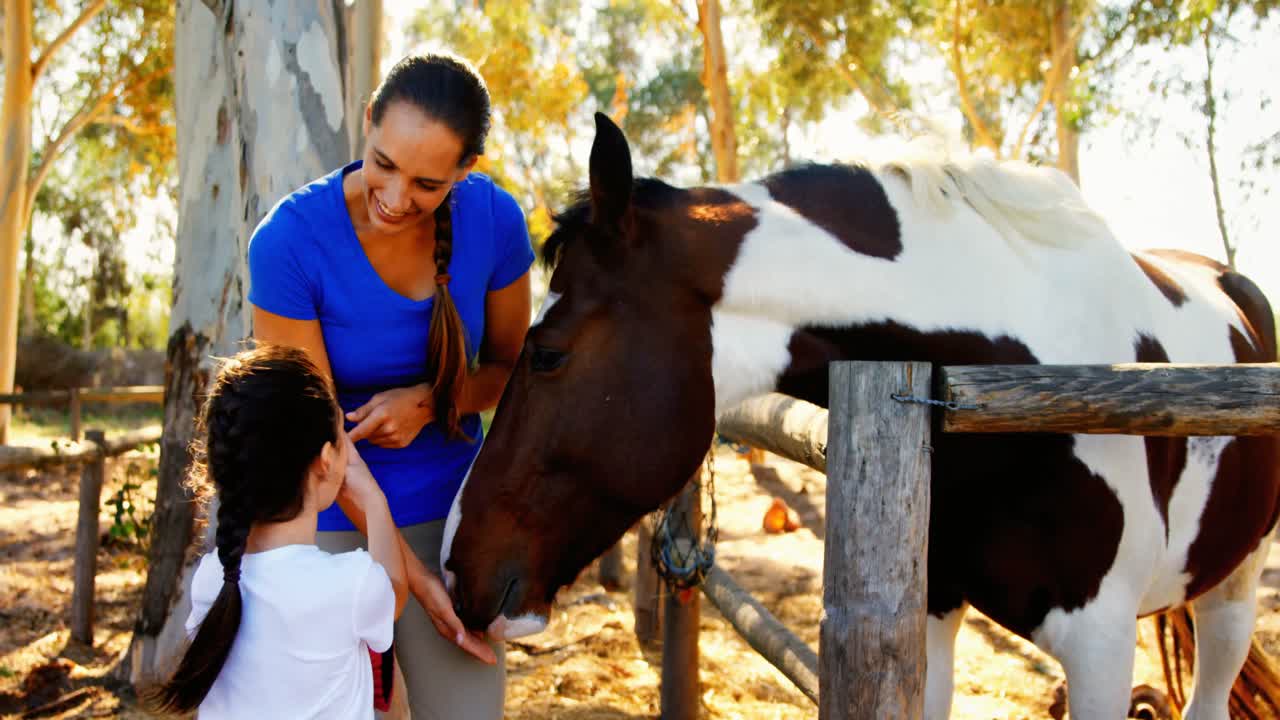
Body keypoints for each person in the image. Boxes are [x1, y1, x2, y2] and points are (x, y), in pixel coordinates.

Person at [247, 51, 533, 718]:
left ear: (465, 171)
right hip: (319, 527)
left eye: (429, 184)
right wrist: (410, 578)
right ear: (368, 121)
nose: (397, 199)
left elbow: (513, 369)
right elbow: (309, 431)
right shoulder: (288, 242)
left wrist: (437, 403)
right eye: (383, 163)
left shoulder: (494, 222)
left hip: (453, 516)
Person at [148, 345, 408, 718]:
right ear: (326, 461)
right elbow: (394, 592)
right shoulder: (349, 585)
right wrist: (373, 500)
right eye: (341, 434)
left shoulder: (212, 581)